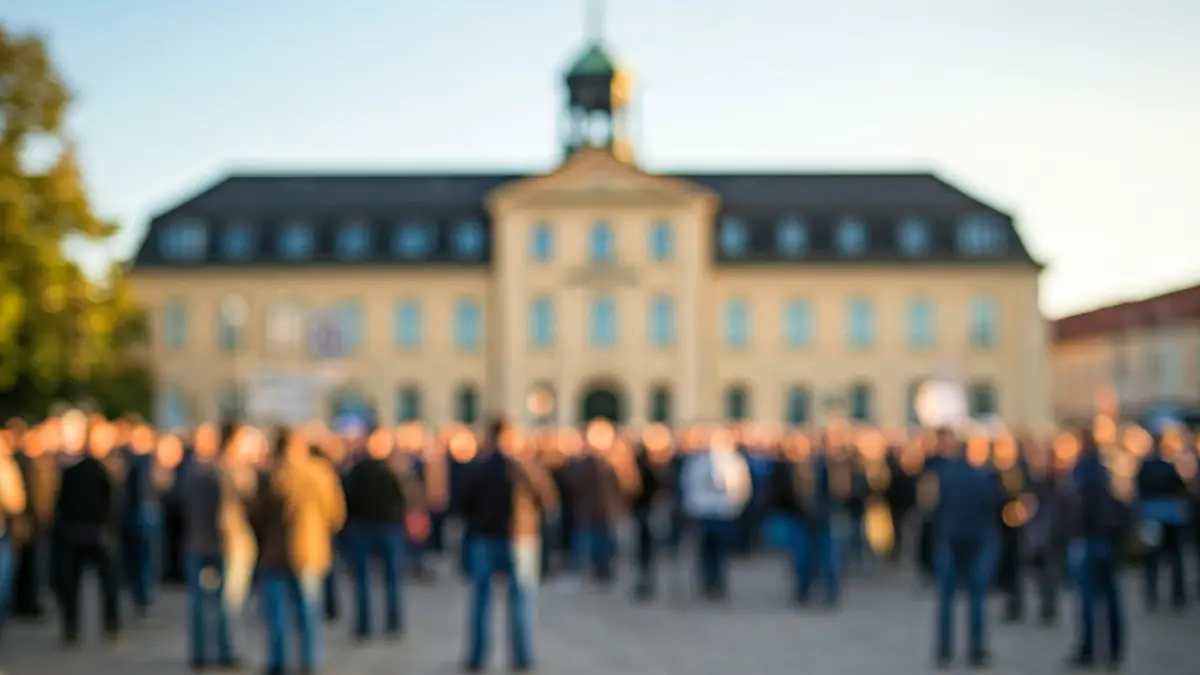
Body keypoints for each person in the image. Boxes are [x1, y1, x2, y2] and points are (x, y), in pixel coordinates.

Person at [459, 418, 555, 673]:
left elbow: (464, 502)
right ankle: (521, 657)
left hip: (487, 537)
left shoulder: (481, 465)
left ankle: (477, 658)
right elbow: (547, 498)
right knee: (520, 600)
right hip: (519, 539)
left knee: (482, 600)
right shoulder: (524, 465)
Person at [248, 427, 346, 675]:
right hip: (309, 552)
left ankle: (278, 661)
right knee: (308, 611)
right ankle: (309, 660)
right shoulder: (320, 473)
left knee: (278, 613)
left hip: (275, 552)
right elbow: (335, 514)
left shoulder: (272, 475)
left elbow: (255, 515)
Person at [179, 423, 253, 670]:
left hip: (206, 542)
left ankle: (211, 652)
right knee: (222, 603)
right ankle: (220, 651)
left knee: (212, 603)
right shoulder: (220, 471)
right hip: (216, 543)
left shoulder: (191, 469)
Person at [931, 428, 1001, 669]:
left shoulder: (945, 474)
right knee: (976, 598)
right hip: (978, 538)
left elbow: (934, 507)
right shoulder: (985, 476)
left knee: (946, 598)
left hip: (950, 538)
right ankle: (976, 651)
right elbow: (993, 506)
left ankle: (944, 651)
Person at [54, 413, 122, 646]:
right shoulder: (99, 471)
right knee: (103, 583)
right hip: (92, 533)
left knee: (76, 583)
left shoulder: (74, 472)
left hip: (79, 533)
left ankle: (72, 628)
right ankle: (109, 625)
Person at [342, 427, 415, 641]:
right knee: (363, 579)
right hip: (364, 527)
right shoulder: (359, 468)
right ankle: (364, 624)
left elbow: (406, 496)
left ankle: (393, 623)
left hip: (388, 527)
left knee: (392, 577)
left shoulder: (395, 467)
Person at [1064, 428, 1126, 669]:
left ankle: (1088, 649)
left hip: (1089, 537)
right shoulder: (1107, 467)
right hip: (1107, 537)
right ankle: (1114, 650)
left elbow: (1077, 505)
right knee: (1111, 597)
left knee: (1088, 598)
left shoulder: (1082, 471)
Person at [680, 426, 751, 600]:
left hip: (717, 512)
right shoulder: (727, 461)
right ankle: (712, 582)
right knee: (713, 551)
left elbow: (741, 488)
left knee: (715, 551)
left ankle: (714, 582)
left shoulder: (728, 461)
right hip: (714, 512)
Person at [1135, 433, 1188, 611]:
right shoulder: (1170, 467)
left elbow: (1138, 491)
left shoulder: (1146, 467)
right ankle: (1177, 594)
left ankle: (1152, 595)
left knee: (1151, 559)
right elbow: (1181, 489)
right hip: (1171, 516)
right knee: (1175, 557)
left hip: (1152, 516)